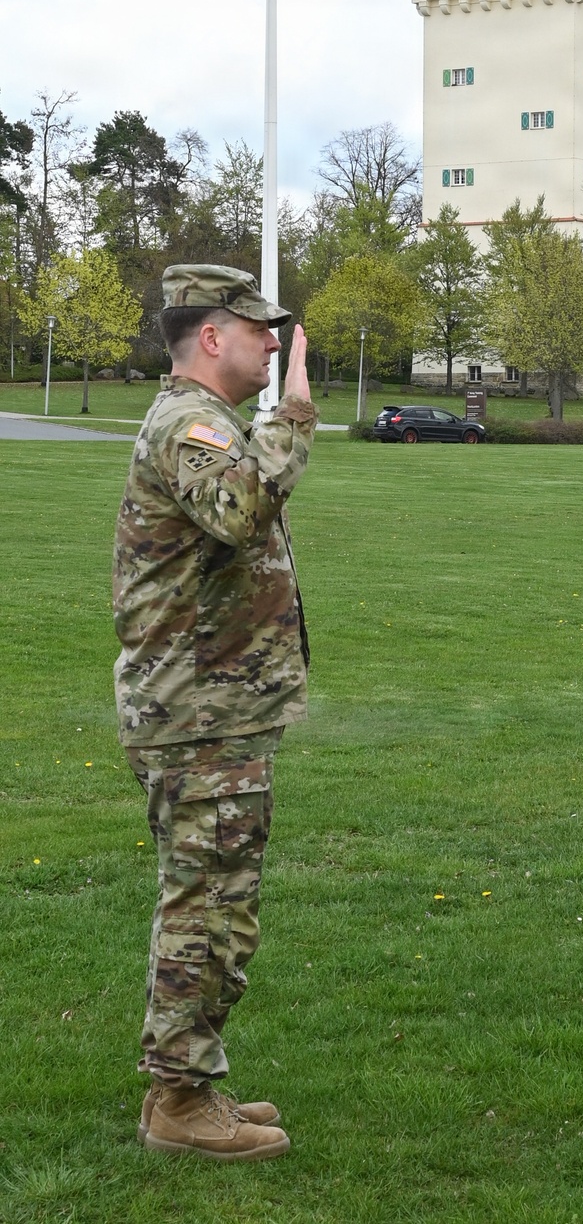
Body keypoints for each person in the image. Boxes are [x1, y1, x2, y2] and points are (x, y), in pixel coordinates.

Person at [113, 263, 317, 1161]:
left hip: (215, 711)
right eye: (259, 328)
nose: (274, 343)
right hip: (197, 716)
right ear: (210, 336)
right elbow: (238, 509)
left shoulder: (212, 425)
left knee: (221, 900)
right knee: (205, 906)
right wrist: (296, 420)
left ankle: (192, 1083)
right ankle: (179, 1102)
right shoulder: (189, 425)